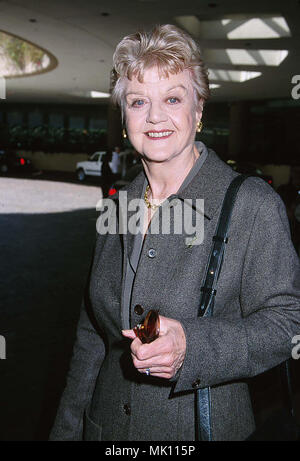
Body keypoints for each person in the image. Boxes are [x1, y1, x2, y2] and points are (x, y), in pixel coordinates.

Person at [49, 24, 300, 441]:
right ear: (123, 114)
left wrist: (193, 347)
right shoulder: (118, 205)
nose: (155, 117)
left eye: (172, 98)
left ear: (198, 110)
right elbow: (93, 335)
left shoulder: (252, 206)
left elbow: (289, 323)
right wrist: (67, 430)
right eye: (137, 101)